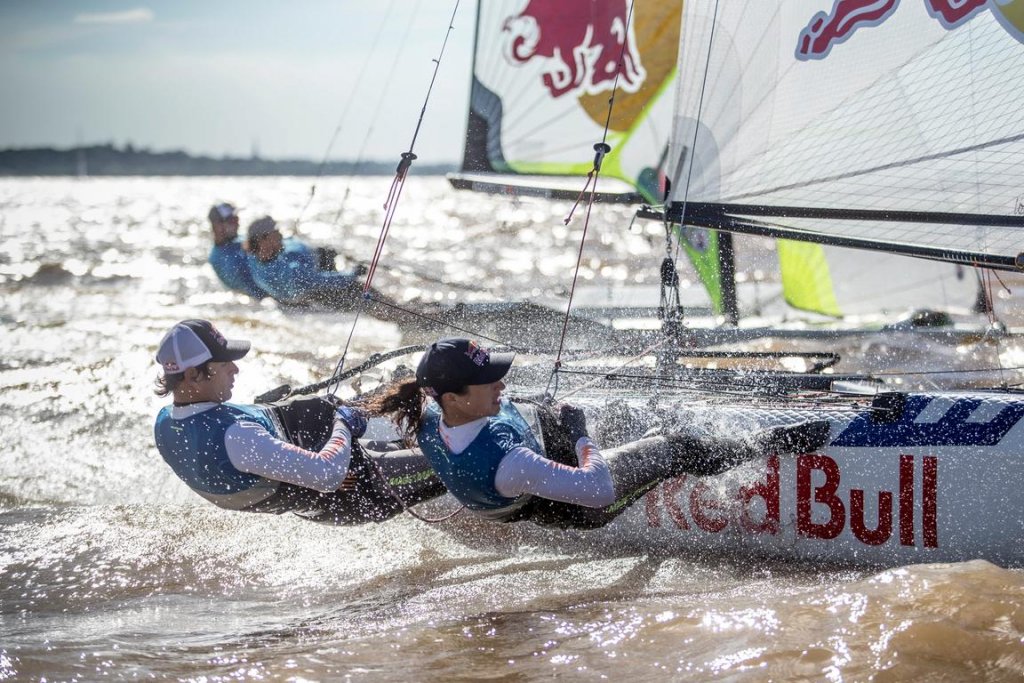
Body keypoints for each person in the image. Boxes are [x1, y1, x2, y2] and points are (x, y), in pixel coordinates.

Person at [365, 338, 832, 529]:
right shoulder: (510, 461)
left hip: (518, 494)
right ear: (454, 396)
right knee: (675, 448)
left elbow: (488, 415)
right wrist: (581, 435)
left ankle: (635, 439)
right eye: (490, 382)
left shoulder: (429, 414)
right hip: (580, 508)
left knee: (575, 421)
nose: (502, 385)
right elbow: (597, 488)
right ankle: (775, 443)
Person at [152, 319, 445, 525]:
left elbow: (230, 452)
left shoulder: (167, 421)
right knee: (451, 456)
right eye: (223, 363)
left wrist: (262, 408)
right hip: (362, 486)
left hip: (348, 460)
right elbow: (327, 474)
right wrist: (342, 424)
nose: (235, 369)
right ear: (192, 375)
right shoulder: (237, 436)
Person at [245, 216, 363, 308]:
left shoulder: (252, 258)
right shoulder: (291, 272)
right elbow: (321, 280)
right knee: (360, 288)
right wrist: (352, 274)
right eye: (276, 232)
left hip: (289, 297)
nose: (280, 235)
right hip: (315, 286)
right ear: (263, 240)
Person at [206, 203, 267, 300]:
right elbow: (259, 294)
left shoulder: (236, 242)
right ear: (218, 226)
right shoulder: (225, 261)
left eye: (237, 219)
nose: (238, 223)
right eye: (232, 220)